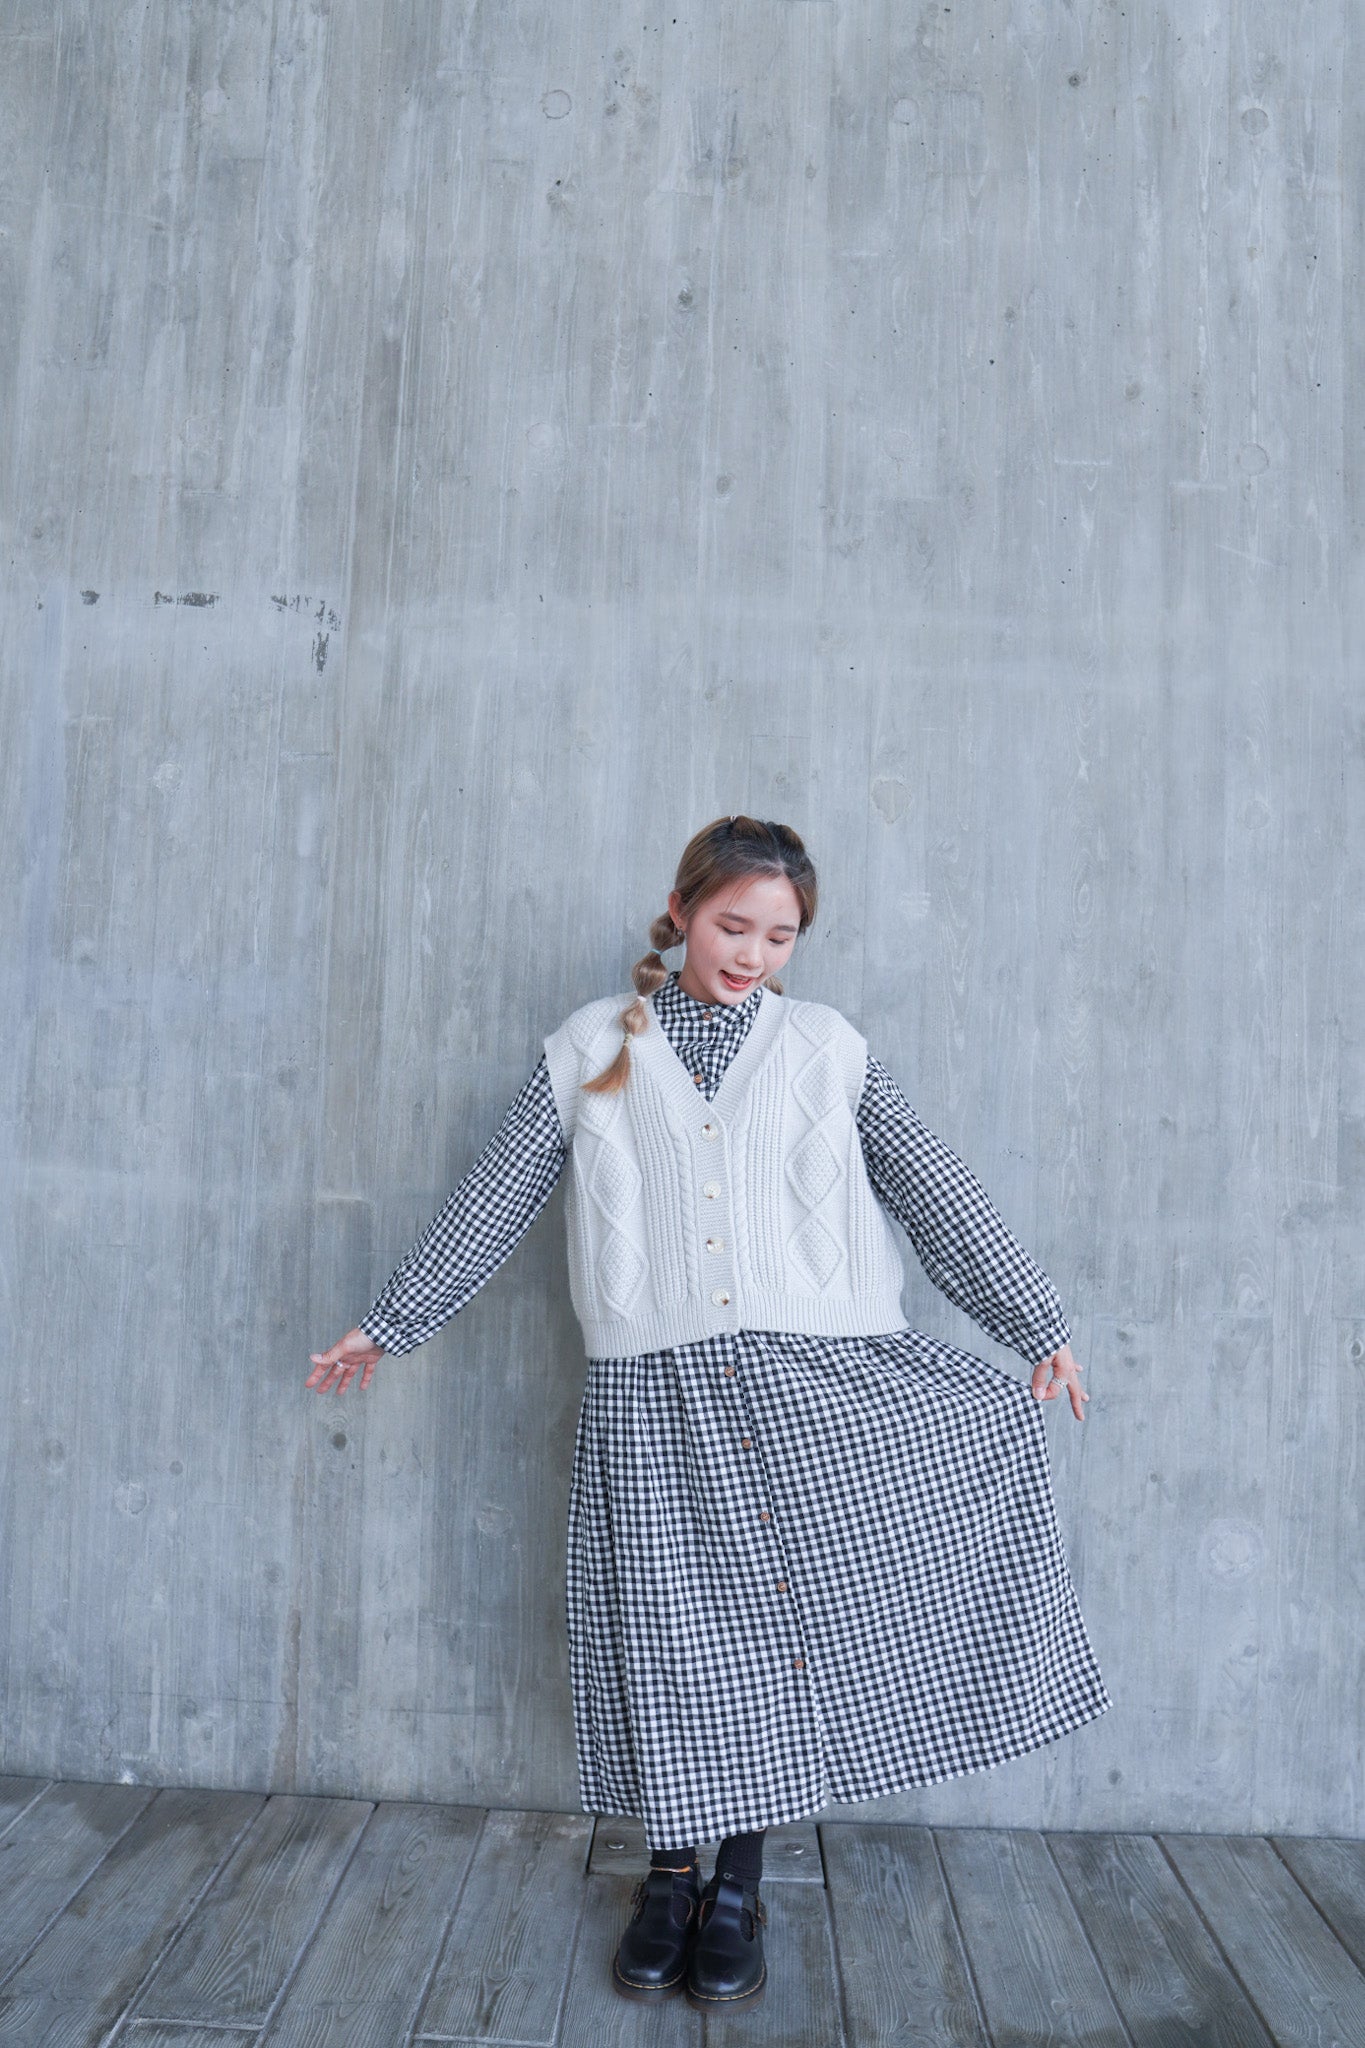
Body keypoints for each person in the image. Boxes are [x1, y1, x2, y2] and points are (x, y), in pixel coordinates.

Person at [308, 814, 1109, 2013]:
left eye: (780, 934)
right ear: (680, 909)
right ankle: (668, 1873)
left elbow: (937, 1188)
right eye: (734, 923)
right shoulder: (593, 1047)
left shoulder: (828, 1047)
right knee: (676, 1640)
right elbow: (494, 1196)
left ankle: (739, 1875)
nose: (753, 951)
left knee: (790, 1639)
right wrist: (391, 1320)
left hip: (817, 1385)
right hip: (654, 1394)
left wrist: (1035, 1321)